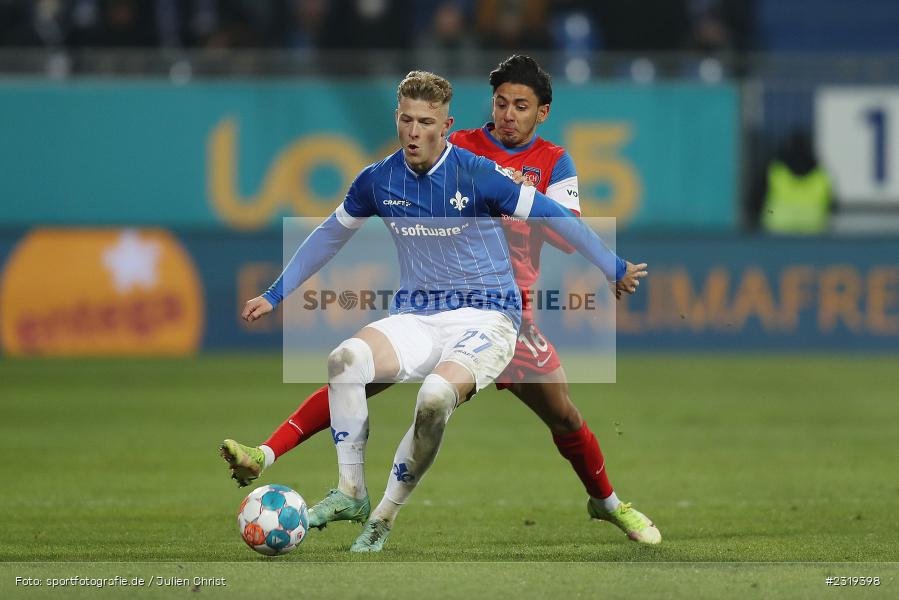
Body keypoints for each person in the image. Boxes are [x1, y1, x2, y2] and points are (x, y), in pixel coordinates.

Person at [225, 69, 648, 552]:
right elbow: (328, 235)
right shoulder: (377, 179)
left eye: (426, 122)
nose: (414, 131)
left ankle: (606, 501)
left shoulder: (484, 171)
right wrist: (275, 294)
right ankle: (351, 493)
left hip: (493, 316)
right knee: (346, 363)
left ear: (444, 125)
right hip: (419, 316)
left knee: (546, 414)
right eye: (406, 119)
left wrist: (612, 265)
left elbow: (554, 217)